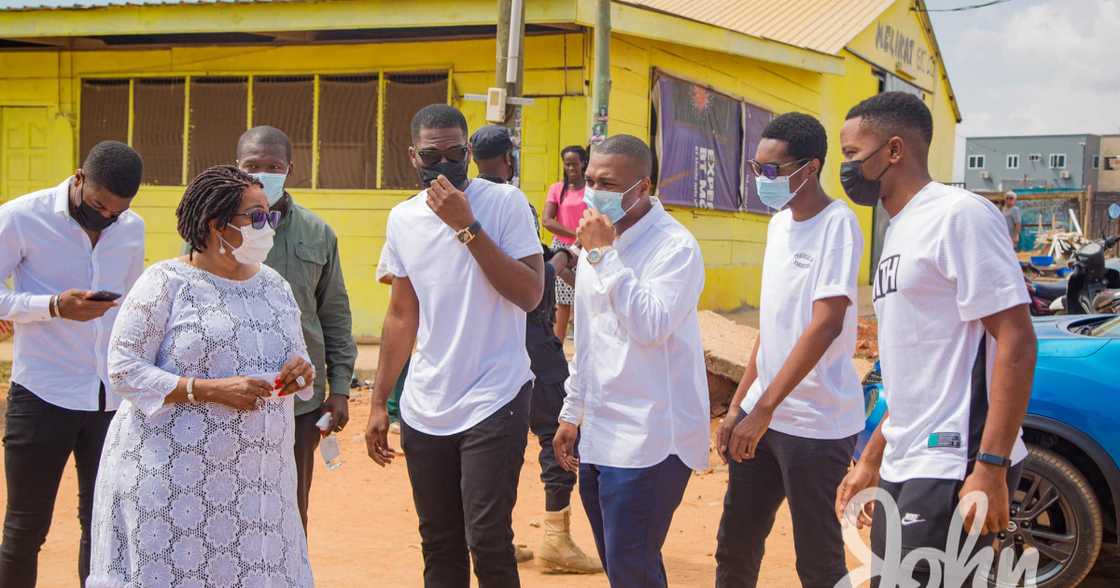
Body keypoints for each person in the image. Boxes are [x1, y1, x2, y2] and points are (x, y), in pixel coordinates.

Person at [833, 92, 1037, 586]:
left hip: (952, 461)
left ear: (895, 150)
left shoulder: (959, 215)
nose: (846, 169)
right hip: (908, 459)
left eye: (853, 155)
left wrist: (990, 467)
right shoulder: (900, 229)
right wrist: (874, 455)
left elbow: (1016, 339)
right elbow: (917, 372)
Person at [88, 165, 316, 586]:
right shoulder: (165, 283)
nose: (269, 227)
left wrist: (301, 374)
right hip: (176, 485)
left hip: (258, 488)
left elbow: (296, 361)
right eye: (257, 218)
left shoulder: (275, 287)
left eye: (272, 216)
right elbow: (123, 369)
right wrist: (207, 390)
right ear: (217, 226)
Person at [365, 104, 545, 587]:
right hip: (426, 403)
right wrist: (380, 400)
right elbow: (402, 314)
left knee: (486, 537)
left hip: (496, 396)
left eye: (453, 154)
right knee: (439, 540)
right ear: (412, 156)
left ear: (468, 152)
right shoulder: (402, 219)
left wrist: (466, 226)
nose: (442, 165)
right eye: (431, 156)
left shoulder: (505, 203)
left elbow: (530, 293)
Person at [714, 113, 865, 588]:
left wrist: (764, 408)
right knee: (735, 546)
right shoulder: (779, 226)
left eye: (774, 171)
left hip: (815, 426)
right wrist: (739, 406)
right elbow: (772, 327)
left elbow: (825, 325)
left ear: (810, 168)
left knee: (817, 562)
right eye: (757, 170)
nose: (764, 181)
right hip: (763, 415)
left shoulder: (837, 225)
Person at [553, 135, 709, 587]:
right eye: (590, 180)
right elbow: (588, 337)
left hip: (651, 438)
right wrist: (571, 412)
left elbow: (651, 325)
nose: (594, 190)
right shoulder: (593, 242)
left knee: (630, 567)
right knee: (627, 566)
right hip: (600, 431)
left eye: (608, 182)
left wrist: (603, 255)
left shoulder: (674, 247)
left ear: (642, 187)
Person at [0, 141, 146, 588]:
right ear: (79, 177)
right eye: (100, 205)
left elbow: (135, 304)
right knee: (24, 528)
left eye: (116, 212)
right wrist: (52, 306)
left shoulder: (132, 228)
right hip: (42, 392)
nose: (106, 217)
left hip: (110, 402)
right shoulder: (22, 216)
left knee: (102, 528)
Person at [470, 124, 603, 574]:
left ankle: (495, 537)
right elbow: (531, 282)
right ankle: (555, 538)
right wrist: (563, 259)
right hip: (528, 341)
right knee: (559, 432)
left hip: (481, 346)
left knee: (490, 441)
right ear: (510, 158)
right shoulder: (513, 203)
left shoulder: (456, 206)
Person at [234, 125, 357, 530]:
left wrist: (339, 388)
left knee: (289, 510)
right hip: (228, 396)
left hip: (299, 403)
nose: (262, 174)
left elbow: (334, 315)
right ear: (237, 167)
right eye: (253, 166)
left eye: (273, 166)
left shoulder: (317, 233)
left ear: (290, 169)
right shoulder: (213, 228)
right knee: (227, 507)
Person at [542, 146, 589, 341]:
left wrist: (584, 237)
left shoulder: (591, 189)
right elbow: (547, 220)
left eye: (574, 164)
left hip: (588, 247)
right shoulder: (557, 189)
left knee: (586, 298)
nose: (570, 168)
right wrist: (575, 233)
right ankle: (557, 348)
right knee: (563, 302)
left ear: (583, 163)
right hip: (563, 249)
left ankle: (584, 346)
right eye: (567, 164)